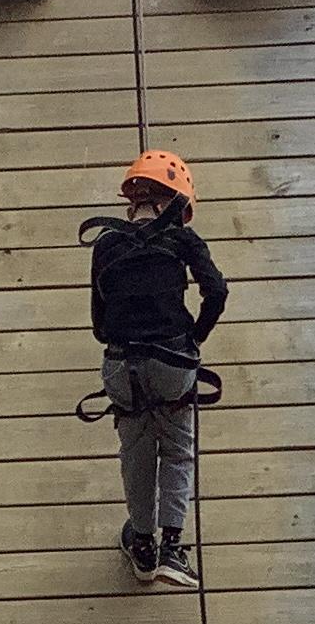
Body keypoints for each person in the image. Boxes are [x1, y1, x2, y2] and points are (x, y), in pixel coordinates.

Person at [84, 150, 230, 590]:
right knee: (178, 450)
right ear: (175, 201)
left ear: (134, 201)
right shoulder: (183, 240)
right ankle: (172, 548)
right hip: (172, 360)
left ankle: (143, 546)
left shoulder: (106, 243)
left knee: (136, 451)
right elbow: (216, 292)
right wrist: (193, 337)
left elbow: (99, 323)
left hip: (122, 363)